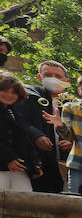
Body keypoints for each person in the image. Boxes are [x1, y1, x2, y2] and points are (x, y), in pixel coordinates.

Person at [17, 60, 71, 192]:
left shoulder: (71, 104)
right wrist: (36, 136)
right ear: (39, 77)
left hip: (62, 165)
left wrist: (72, 141)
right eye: (48, 75)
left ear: (66, 81)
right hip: (35, 162)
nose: (53, 79)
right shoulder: (28, 96)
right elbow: (20, 120)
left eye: (58, 76)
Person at [0, 72, 41, 192]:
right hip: (4, 166)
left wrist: (34, 164)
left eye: (13, 92)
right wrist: (8, 158)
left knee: (25, 202)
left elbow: (25, 139)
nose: (9, 95)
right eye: (4, 90)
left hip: (19, 168)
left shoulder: (15, 111)